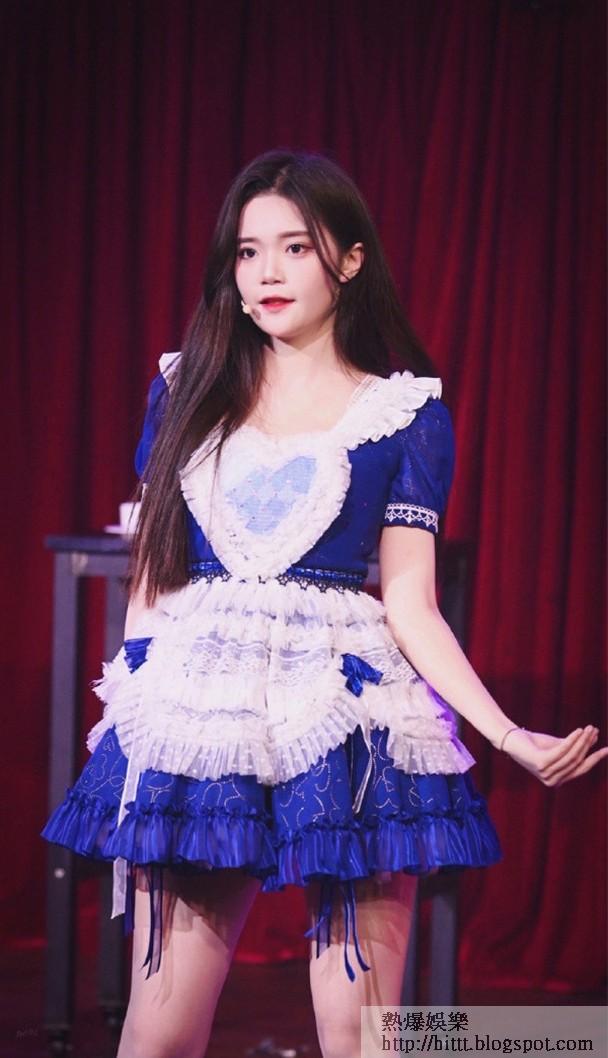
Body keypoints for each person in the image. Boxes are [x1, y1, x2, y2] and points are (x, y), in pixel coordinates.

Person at [41, 149, 607, 1058]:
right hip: (204, 718)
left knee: (365, 1035)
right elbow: (155, 575)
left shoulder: (403, 415)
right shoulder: (185, 389)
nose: (265, 271)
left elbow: (412, 604)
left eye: (294, 248)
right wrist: (138, 716)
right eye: (247, 251)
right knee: (157, 1036)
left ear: (349, 259)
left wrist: (507, 737)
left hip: (348, 719)